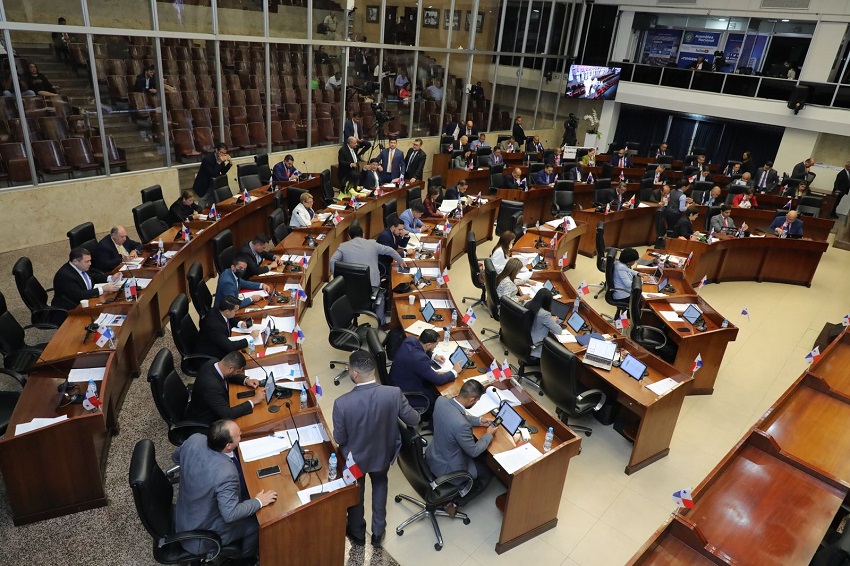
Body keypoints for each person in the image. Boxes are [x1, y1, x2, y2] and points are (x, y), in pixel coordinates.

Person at [333, 350, 420, 547]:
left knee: (357, 492)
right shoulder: (394, 393)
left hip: (355, 461)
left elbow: (340, 438)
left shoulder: (342, 404)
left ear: (354, 373)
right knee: (380, 484)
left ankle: (357, 532)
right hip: (383, 454)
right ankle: (378, 533)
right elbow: (414, 419)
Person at [172, 420, 276, 562]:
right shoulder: (226, 473)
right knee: (258, 522)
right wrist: (258, 501)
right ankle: (245, 560)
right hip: (200, 536)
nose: (241, 435)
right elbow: (230, 514)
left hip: (186, 516)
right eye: (239, 436)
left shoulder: (195, 439)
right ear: (228, 446)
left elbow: (176, 458)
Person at [426, 379, 498, 511]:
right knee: (487, 473)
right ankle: (456, 503)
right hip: (448, 469)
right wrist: (489, 434)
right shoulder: (461, 425)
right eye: (476, 401)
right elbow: (474, 451)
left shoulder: (441, 401)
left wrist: (479, 421)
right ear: (472, 400)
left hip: (433, 454)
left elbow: (456, 415)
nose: (476, 403)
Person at [330, 222, 403, 322]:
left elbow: (332, 261)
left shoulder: (343, 246)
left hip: (349, 287)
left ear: (349, 237)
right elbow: (390, 250)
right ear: (363, 235)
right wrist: (401, 261)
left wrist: (338, 279)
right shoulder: (372, 243)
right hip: (372, 286)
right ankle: (381, 323)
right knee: (380, 295)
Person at [388, 330, 461, 417]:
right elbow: (438, 380)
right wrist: (454, 371)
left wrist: (434, 356)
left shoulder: (410, 340)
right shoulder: (420, 359)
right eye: (436, 345)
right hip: (407, 391)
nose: (435, 347)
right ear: (429, 344)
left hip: (395, 380)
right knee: (440, 396)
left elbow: (420, 349)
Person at [185, 352, 265, 424]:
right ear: (230, 368)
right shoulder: (212, 386)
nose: (237, 373)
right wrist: (253, 401)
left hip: (212, 404)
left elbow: (228, 375)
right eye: (237, 371)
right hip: (206, 419)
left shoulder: (215, 363)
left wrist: (246, 380)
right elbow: (227, 414)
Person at [52, 247, 120, 309]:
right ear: (75, 261)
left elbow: (92, 276)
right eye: (87, 261)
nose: (90, 263)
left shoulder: (81, 267)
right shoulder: (65, 276)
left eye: (90, 260)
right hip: (72, 308)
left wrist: (110, 278)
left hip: (89, 300)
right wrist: (102, 289)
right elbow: (80, 295)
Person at [526, 288, 563, 358]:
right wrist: (552, 321)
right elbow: (559, 331)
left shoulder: (528, 304)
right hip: (536, 346)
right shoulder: (545, 314)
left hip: (526, 341)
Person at [193, 143, 232, 207]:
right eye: (221, 152)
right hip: (204, 185)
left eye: (224, 153)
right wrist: (219, 162)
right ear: (216, 150)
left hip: (213, 185)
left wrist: (230, 163)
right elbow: (213, 174)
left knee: (213, 205)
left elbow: (223, 171)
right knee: (202, 206)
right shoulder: (207, 159)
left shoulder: (220, 158)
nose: (222, 155)